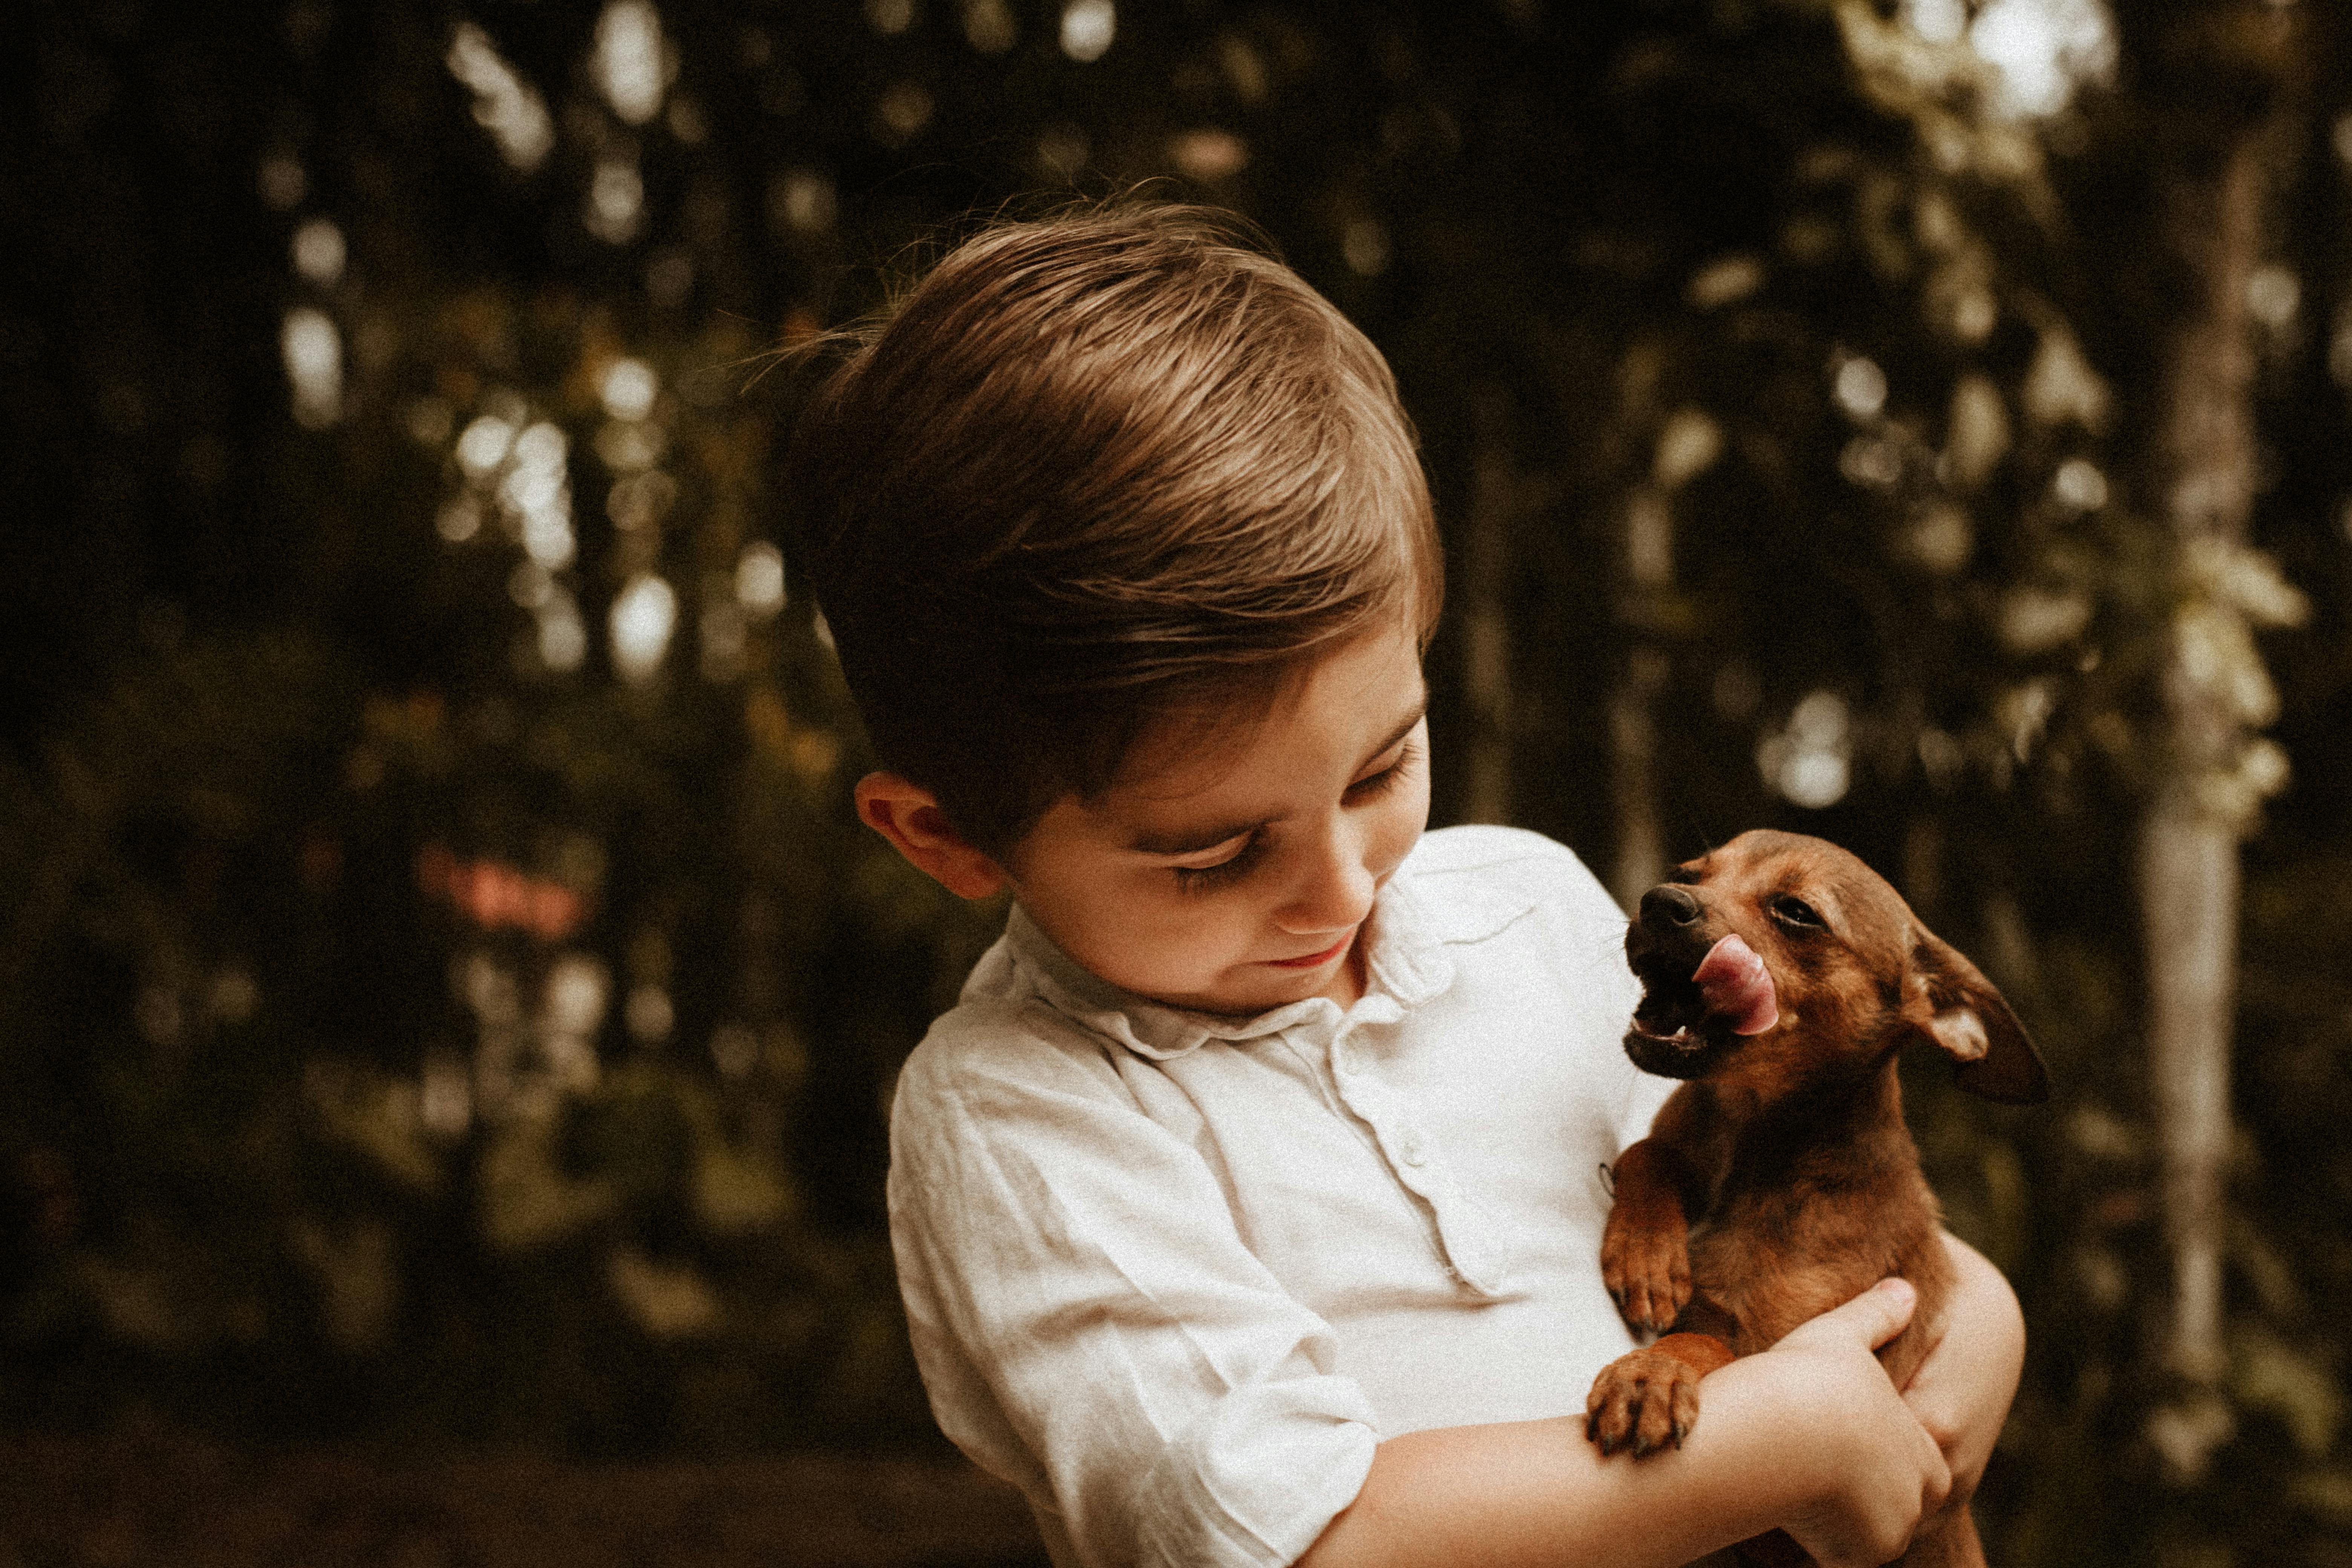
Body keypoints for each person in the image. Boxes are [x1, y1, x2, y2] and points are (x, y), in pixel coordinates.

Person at [785, 204, 2024, 1568]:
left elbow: (1782, 1211)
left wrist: (1982, 1334)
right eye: (1213, 855)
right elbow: (1287, 1539)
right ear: (949, 837)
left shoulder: (1530, 913)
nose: (1338, 890)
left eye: (1383, 768)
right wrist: (1782, 1444)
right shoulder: (1029, 1114)